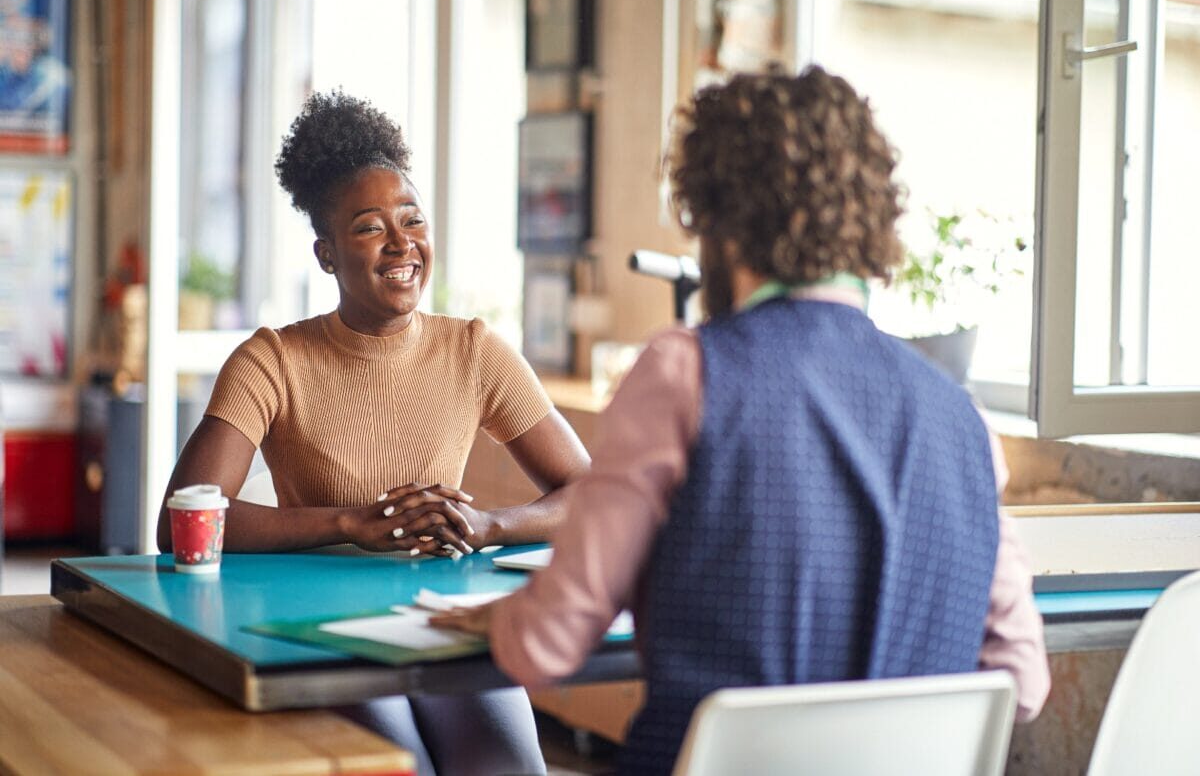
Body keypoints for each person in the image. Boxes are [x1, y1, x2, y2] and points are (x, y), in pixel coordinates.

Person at [432, 66, 1052, 773]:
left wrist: (507, 620)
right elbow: (1023, 684)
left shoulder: (683, 374)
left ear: (721, 227)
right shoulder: (964, 419)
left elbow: (549, 647)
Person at [157, 89, 591, 774]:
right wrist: (350, 522)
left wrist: (491, 524)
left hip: (444, 617)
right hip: (318, 628)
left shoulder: (475, 352)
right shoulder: (271, 360)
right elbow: (184, 520)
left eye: (412, 219)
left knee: (509, 767)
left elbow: (592, 493)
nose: (401, 242)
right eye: (368, 227)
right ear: (326, 253)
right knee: (399, 763)